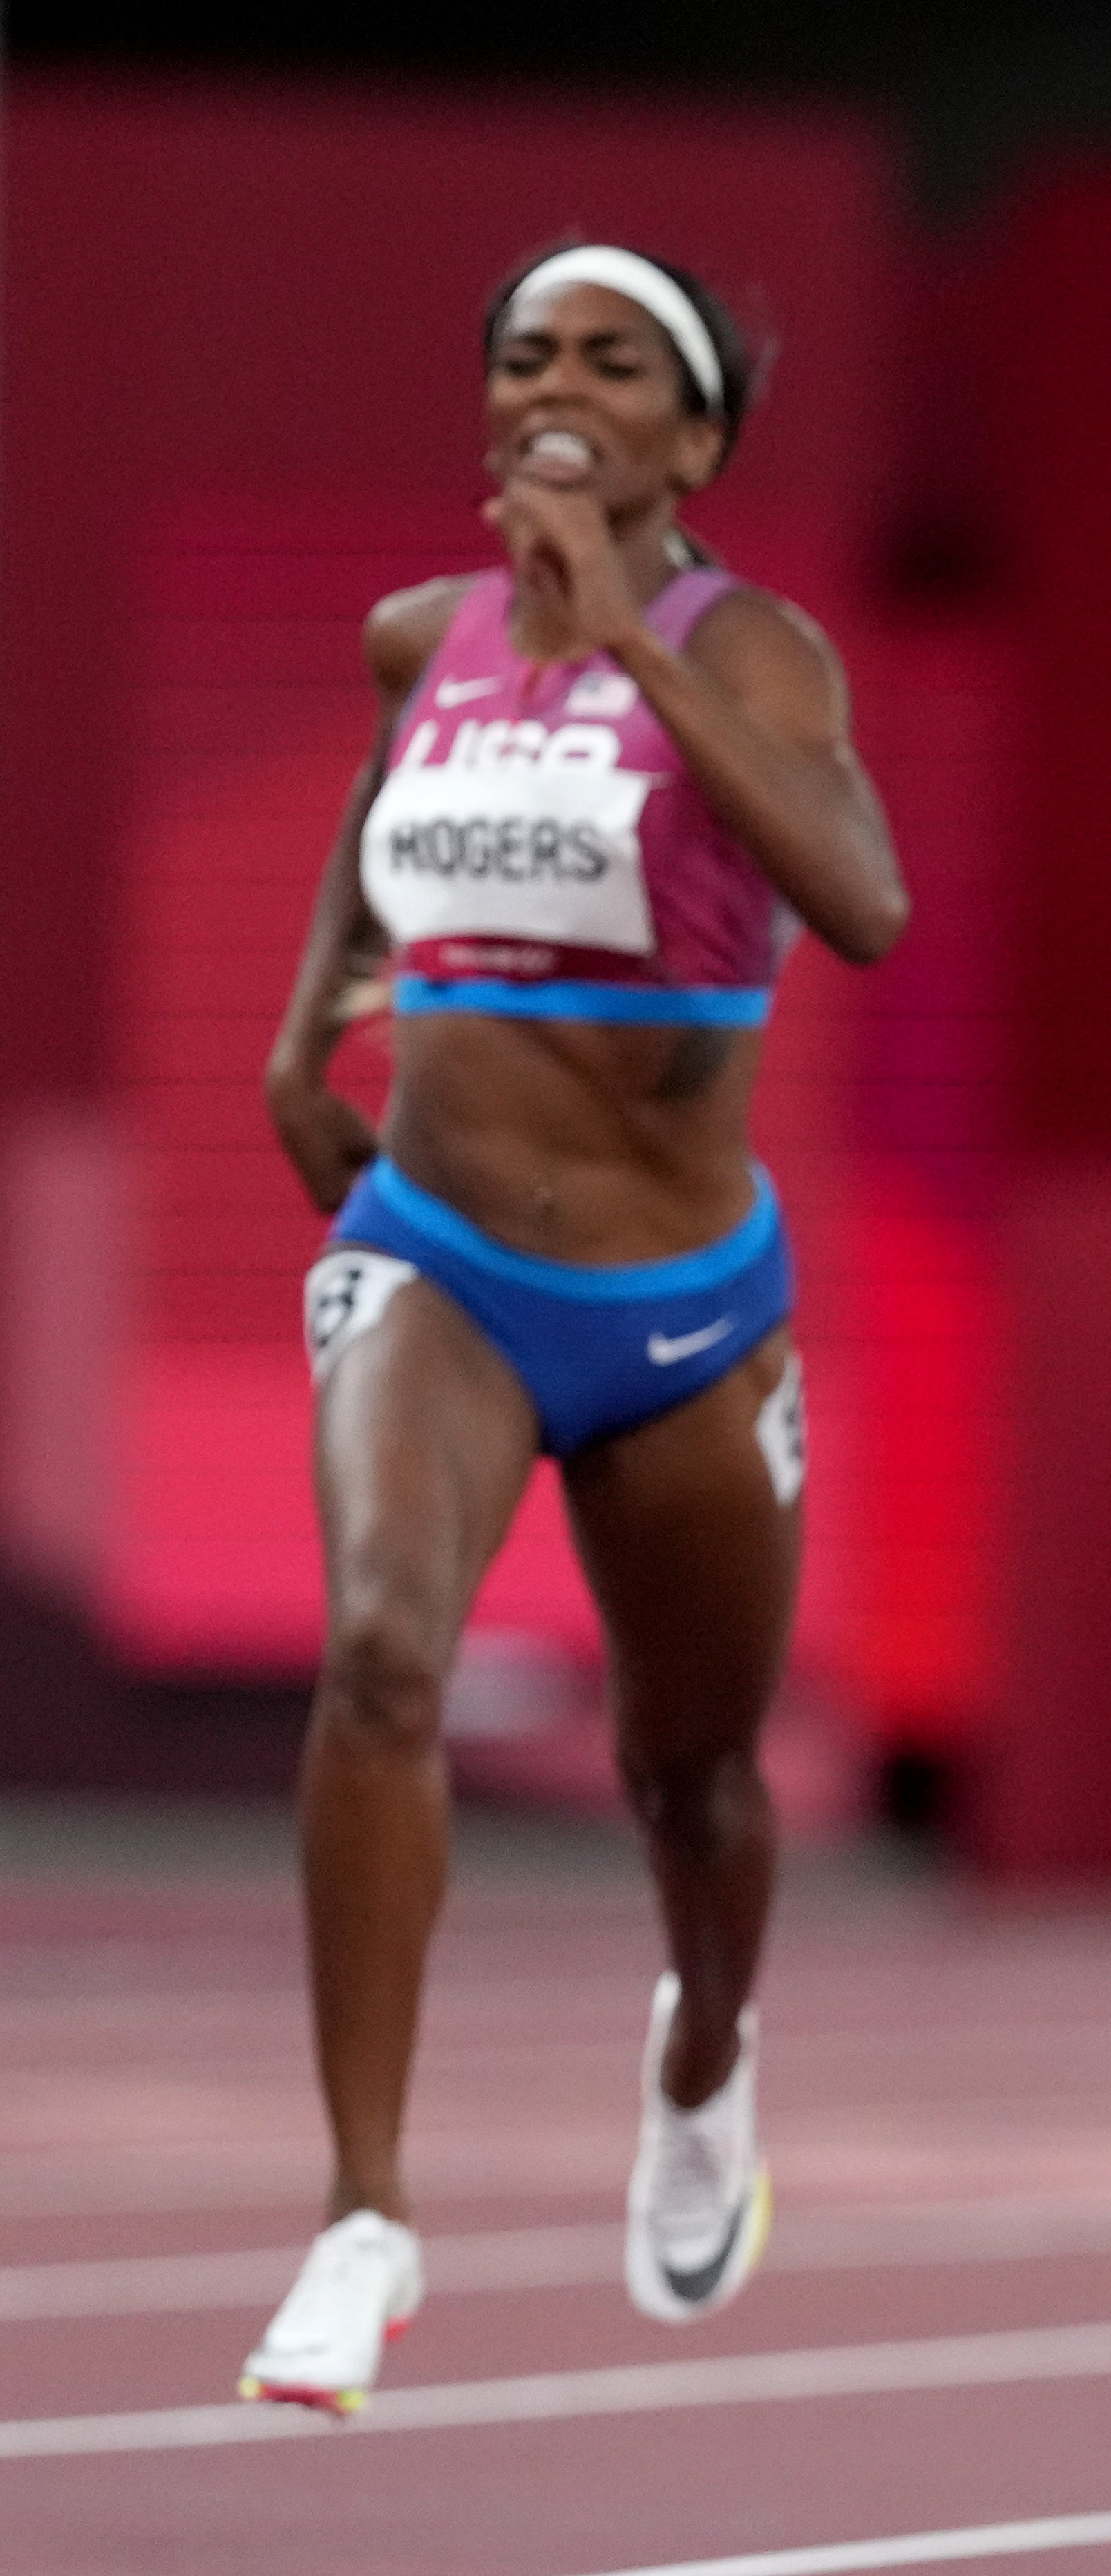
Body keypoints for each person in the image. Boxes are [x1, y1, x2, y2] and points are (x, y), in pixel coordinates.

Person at [235, 244, 909, 2412]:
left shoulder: (755, 652)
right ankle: (363, 2217)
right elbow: (372, 835)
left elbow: (867, 905)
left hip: (686, 1308)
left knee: (690, 1774)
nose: (556, 384)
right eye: (522, 350)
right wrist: (293, 1037)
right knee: (381, 1654)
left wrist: (628, 631)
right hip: (436, 1253)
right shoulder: (422, 638)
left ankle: (703, 2054)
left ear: (694, 440)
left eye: (615, 363)